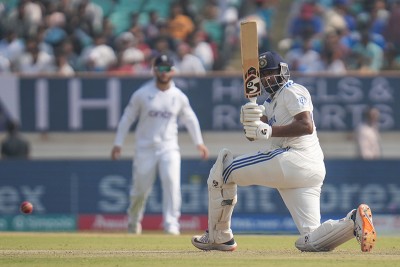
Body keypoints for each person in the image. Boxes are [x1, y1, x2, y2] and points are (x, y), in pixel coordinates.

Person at [191, 51, 377, 252]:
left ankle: (220, 236)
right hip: (307, 170)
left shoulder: (293, 90)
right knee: (309, 240)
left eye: (270, 72)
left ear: (282, 71)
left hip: (294, 157)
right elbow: (254, 135)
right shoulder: (270, 103)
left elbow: (305, 125)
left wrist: (268, 130)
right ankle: (353, 221)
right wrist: (249, 120)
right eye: (262, 74)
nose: (265, 78)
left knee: (223, 170)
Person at [111, 54, 209, 235]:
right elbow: (127, 118)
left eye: (167, 69)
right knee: (140, 190)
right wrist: (118, 143)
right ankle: (133, 221)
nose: (163, 73)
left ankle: (171, 224)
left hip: (169, 148)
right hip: (145, 148)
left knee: (172, 184)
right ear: (154, 70)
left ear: (172, 71)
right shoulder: (142, 94)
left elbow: (190, 119)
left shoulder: (178, 96)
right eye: (160, 68)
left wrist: (199, 143)